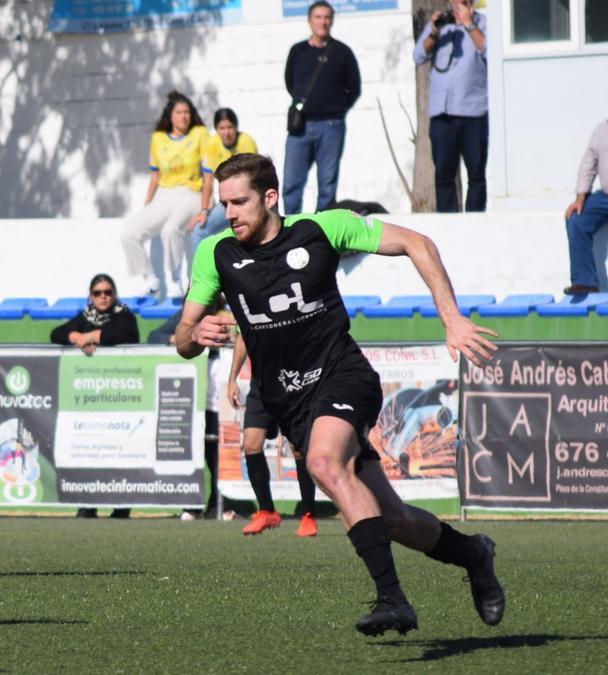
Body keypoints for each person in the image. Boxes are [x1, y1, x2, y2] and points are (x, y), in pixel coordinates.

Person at [175, 152, 504, 636]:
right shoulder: (216, 254)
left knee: (324, 464)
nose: (230, 213)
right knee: (391, 518)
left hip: (343, 374)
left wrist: (451, 318)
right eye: (225, 204)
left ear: (270, 198)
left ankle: (393, 600)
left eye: (240, 202)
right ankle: (474, 553)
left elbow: (418, 243)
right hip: (291, 402)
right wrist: (193, 333)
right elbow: (182, 337)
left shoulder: (323, 228)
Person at [50, 274, 140, 519]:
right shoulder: (85, 316)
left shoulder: (124, 315)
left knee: (119, 450)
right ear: (91, 295)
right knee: (90, 449)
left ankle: (121, 506)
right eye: (98, 292)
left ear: (114, 294)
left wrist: (89, 337)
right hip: (91, 397)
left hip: (121, 395)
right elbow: (57, 334)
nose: (103, 297)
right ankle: (88, 504)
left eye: (108, 292)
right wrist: (77, 337)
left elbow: (123, 335)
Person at [120, 90, 212, 298]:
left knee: (170, 230)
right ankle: (150, 279)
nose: (184, 116)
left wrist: (205, 209)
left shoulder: (200, 134)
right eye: (179, 112)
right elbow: (155, 176)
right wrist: (147, 204)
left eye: (187, 112)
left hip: (191, 193)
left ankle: (174, 281)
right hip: (164, 194)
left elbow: (208, 176)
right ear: (170, 116)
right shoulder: (158, 138)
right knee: (129, 234)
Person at [226, 332, 317, 537]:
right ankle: (267, 510)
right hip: (261, 388)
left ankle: (308, 515)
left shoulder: (288, 304)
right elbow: (242, 338)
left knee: (298, 450)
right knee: (251, 445)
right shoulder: (248, 303)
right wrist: (232, 379)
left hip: (293, 385)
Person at [282, 1, 360, 216]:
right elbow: (290, 83)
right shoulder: (297, 51)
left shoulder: (343, 52)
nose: (323, 22)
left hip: (331, 126)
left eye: (327, 17)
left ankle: (321, 233)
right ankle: (290, 227)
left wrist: (336, 109)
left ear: (332, 20)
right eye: (318, 17)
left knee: (327, 185)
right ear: (309, 20)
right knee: (291, 184)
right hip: (300, 127)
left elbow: (354, 88)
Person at [413, 0, 488, 213]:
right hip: (442, 112)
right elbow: (418, 55)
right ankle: (447, 220)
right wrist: (434, 31)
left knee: (476, 173)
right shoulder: (441, 24)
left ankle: (476, 219)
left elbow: (490, 52)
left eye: (463, 1)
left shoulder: (482, 23)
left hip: (473, 110)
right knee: (443, 174)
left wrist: (469, 24)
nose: (458, 5)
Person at [147, 311, 221, 521]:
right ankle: (192, 503)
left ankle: (216, 504)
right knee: (192, 450)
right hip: (191, 396)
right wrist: (183, 338)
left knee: (215, 455)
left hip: (217, 396)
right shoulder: (184, 316)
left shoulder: (226, 313)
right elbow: (154, 337)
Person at [189, 108, 259, 265]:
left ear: (236, 128)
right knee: (198, 231)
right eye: (222, 128)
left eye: (230, 127)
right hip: (227, 203)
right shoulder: (211, 144)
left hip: (247, 200)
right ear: (216, 130)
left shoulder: (247, 142)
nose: (226, 132)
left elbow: (256, 179)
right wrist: (204, 211)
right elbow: (207, 182)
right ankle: (198, 278)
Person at [563, 118, 608, 295]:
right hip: (605, 197)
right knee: (576, 220)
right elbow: (588, 165)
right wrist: (580, 197)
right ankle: (585, 283)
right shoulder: (602, 130)